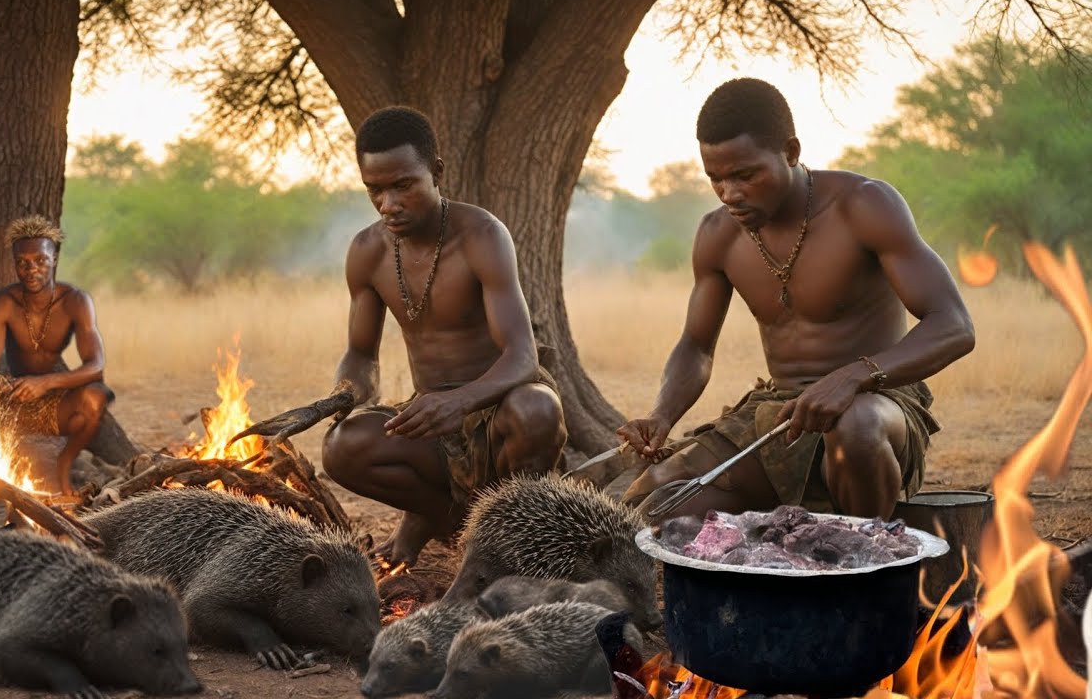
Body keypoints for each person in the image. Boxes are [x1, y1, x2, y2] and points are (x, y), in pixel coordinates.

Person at [620, 78, 975, 521]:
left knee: (855, 427)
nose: (729, 194)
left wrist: (855, 377)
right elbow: (696, 346)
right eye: (716, 179)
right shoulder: (717, 235)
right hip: (781, 415)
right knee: (653, 501)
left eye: (745, 175)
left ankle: (867, 564)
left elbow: (954, 326)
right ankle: (791, 526)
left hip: (878, 404)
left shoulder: (863, 206)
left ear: (790, 151)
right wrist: (662, 414)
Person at [321, 106, 567, 566]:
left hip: (501, 410)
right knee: (343, 447)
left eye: (402, 185)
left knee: (536, 408)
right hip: (433, 419)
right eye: (374, 190)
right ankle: (447, 522)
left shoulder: (482, 236)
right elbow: (360, 355)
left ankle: (508, 541)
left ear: (436, 172)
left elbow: (522, 357)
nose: (388, 203)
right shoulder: (366, 251)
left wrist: (458, 402)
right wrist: (343, 395)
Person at [0, 216, 111, 496]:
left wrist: (45, 383)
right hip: (17, 402)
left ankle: (64, 463)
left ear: (54, 260)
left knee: (94, 398)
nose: (31, 270)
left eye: (40, 260)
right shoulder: (4, 303)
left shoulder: (76, 301)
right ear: (14, 263)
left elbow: (96, 366)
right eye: (23, 263)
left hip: (58, 400)